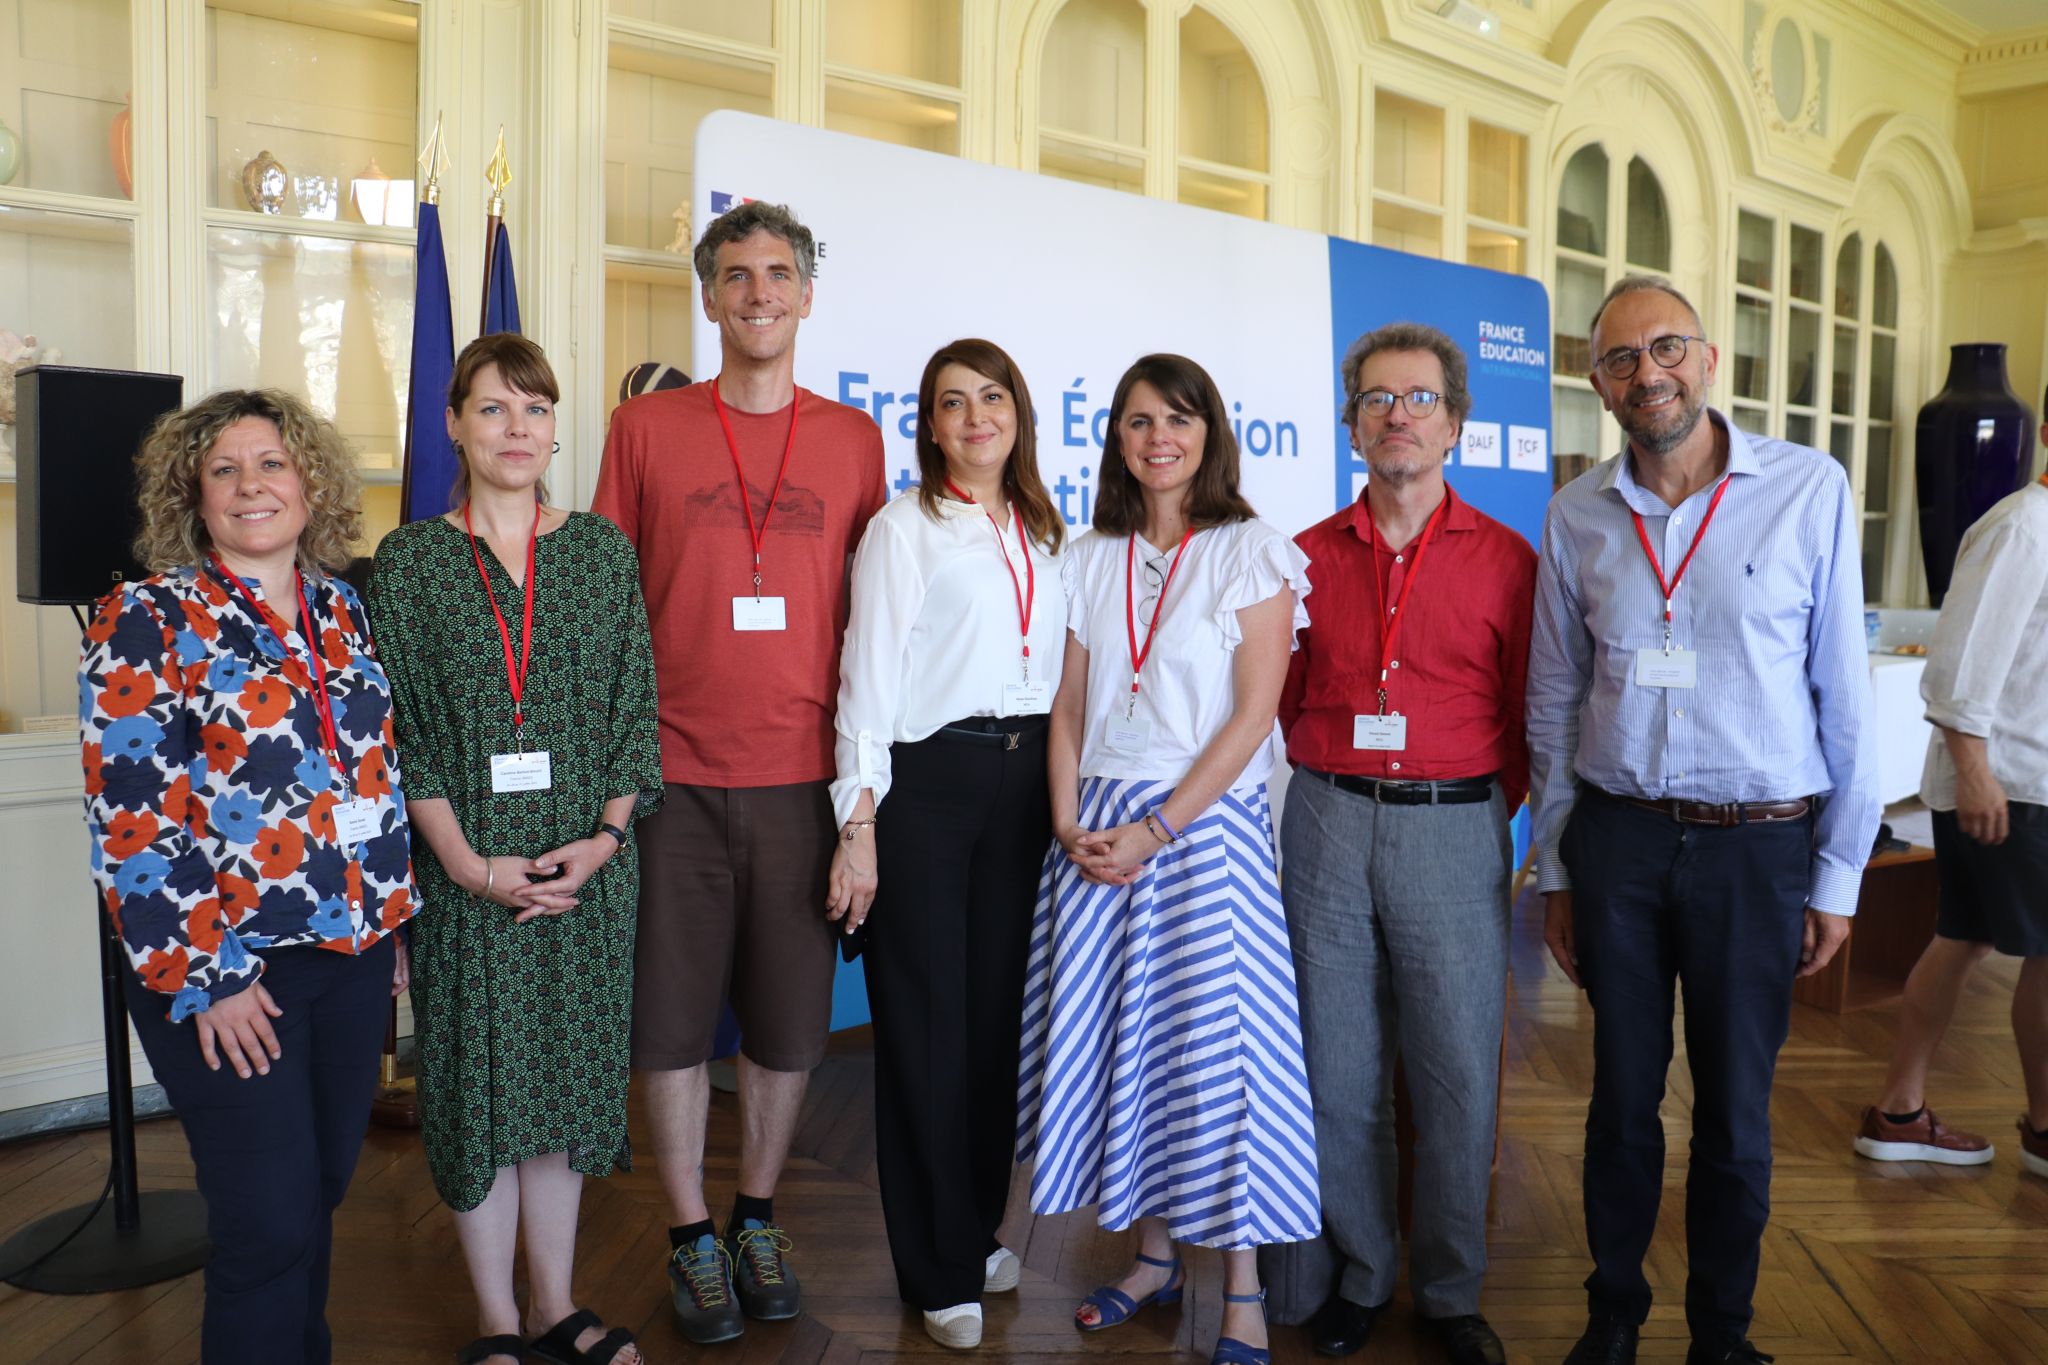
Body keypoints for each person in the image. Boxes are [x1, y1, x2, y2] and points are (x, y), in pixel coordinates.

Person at [1526, 275, 1880, 1365]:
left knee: (1733, 1114)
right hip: (1619, 842)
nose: (1648, 374)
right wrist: (1553, 869)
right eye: (1620, 360)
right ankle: (1611, 1317)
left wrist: (1836, 877)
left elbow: (1843, 696)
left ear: (1708, 357)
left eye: (1664, 348)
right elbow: (1550, 697)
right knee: (1619, 1104)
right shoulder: (1575, 512)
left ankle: (1720, 1336)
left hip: (1757, 847)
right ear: (1598, 386)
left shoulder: (1805, 487)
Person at [590, 199, 888, 1345]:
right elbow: (607, 610)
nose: (759, 292)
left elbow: (874, 629)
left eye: (778, 273)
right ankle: (684, 1234)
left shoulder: (854, 440)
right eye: (736, 274)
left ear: (807, 295)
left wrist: (860, 807)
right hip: (665, 781)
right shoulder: (646, 431)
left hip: (803, 783)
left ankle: (754, 1214)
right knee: (664, 1027)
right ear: (709, 297)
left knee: (786, 1026)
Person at [79, 388, 414, 1365]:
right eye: (222, 469)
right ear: (194, 498)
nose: (249, 484)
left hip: (351, 957)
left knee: (315, 1198)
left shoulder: (345, 609)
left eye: (270, 462)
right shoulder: (147, 617)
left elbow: (371, 775)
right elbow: (136, 817)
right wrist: (210, 974)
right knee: (266, 1221)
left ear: (309, 482)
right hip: (230, 973)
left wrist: (387, 921)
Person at [1016, 352, 1318, 1365]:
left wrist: (1156, 831)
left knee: (1216, 1059)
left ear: (1207, 433)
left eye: (1178, 419)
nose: (1158, 437)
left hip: (1200, 833)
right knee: (1124, 1050)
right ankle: (1148, 1261)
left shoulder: (1250, 550)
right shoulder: (1090, 554)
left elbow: (1251, 717)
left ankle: (1239, 1289)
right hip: (1093, 827)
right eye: (1139, 420)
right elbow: (1067, 705)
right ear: (1116, 436)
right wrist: (1067, 823)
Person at [367, 334, 664, 1365]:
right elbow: (398, 730)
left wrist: (604, 841)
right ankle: (496, 1320)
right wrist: (461, 864)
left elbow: (634, 712)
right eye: (493, 410)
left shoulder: (599, 552)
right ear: (453, 423)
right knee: (479, 1093)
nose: (516, 431)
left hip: (586, 876)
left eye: (535, 411)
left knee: (564, 1093)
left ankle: (556, 1305)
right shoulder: (409, 562)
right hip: (467, 878)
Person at [1268, 323, 1533, 1365]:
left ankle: (1450, 1291)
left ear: (1455, 425)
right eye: (1376, 400)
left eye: (1417, 399)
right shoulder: (1302, 558)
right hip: (1325, 820)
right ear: (1351, 426)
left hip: (1451, 827)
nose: (1396, 416)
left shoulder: (1507, 561)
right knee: (1337, 1072)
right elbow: (1279, 701)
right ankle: (1362, 1274)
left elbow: (1527, 716)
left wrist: (1471, 808)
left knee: (1456, 1072)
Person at [829, 338, 1067, 1348]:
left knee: (990, 1028)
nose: (975, 416)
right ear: (928, 424)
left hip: (1020, 788)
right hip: (926, 788)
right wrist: (858, 827)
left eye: (992, 397)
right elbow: (865, 687)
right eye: (951, 402)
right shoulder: (902, 528)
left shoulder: (1047, 532)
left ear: (1017, 412)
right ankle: (934, 1270)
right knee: (924, 1030)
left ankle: (971, 1233)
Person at [1852, 415, 2048, 1179]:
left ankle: (1899, 1111)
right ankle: (2043, 1129)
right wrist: (1973, 769)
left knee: (1963, 934)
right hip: (2011, 783)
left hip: (2018, 780)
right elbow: (1959, 664)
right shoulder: (2023, 530)